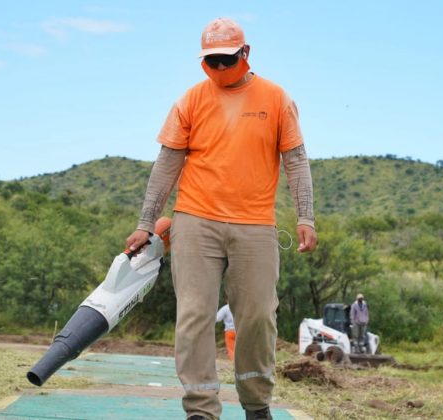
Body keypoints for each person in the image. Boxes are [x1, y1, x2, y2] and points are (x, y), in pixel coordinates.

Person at [124, 17, 317, 420]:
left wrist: (306, 217)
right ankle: (201, 410)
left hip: (255, 225)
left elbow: (296, 161)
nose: (220, 69)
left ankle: (256, 404)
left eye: (227, 60)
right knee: (193, 315)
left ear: (246, 54)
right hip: (195, 220)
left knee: (258, 316)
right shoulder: (191, 100)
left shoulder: (276, 98)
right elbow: (166, 165)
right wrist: (146, 222)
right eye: (211, 62)